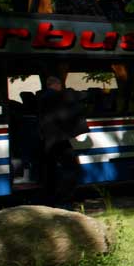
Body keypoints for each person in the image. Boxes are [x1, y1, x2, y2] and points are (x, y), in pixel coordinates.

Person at [37, 76, 87, 206]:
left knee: (50, 170)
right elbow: (76, 97)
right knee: (71, 168)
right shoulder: (57, 96)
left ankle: (49, 199)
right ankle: (64, 199)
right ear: (57, 84)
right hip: (59, 140)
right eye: (60, 85)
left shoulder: (42, 97)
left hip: (47, 140)